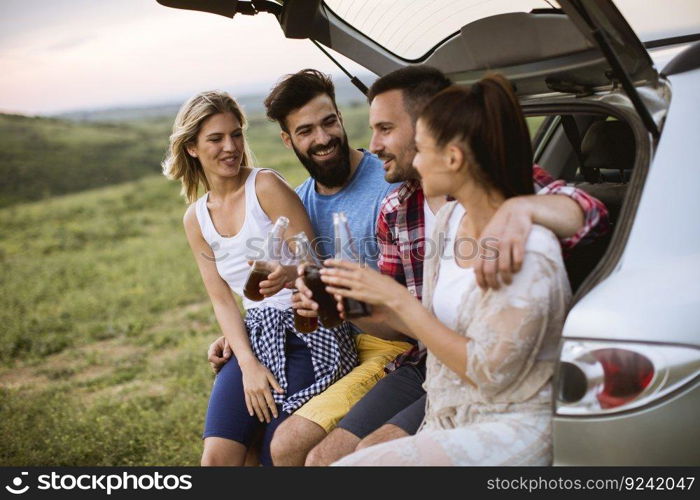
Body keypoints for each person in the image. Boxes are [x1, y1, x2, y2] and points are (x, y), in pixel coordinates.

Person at [302, 66, 608, 465]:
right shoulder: (417, 213)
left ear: (439, 137)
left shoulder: (522, 226)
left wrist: (520, 207)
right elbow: (407, 321)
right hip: (430, 372)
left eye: (386, 128)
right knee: (327, 459)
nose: (373, 145)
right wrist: (351, 306)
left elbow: (593, 215)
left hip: (498, 404)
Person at [207, 70, 414, 465]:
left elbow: (409, 310)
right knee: (242, 436)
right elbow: (290, 289)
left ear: (341, 116)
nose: (322, 139)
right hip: (328, 342)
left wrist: (333, 304)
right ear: (287, 140)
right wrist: (235, 337)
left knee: (283, 445)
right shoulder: (298, 201)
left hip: (388, 345)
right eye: (305, 131)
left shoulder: (390, 186)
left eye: (329, 122)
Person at [162, 90, 357, 466]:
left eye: (236, 134)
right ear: (191, 148)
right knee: (217, 459)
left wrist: (290, 273)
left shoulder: (265, 186)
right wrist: (248, 365)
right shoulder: (196, 219)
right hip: (256, 336)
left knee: (271, 454)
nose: (230, 147)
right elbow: (221, 299)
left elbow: (315, 263)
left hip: (309, 331)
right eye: (216, 139)